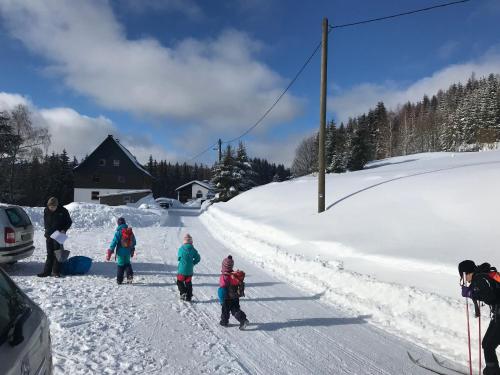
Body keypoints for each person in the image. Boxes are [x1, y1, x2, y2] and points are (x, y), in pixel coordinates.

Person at [459, 260, 500, 375]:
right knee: (487, 343)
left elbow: (490, 297)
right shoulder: (483, 276)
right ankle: (493, 370)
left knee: (488, 346)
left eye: (463, 276)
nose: (464, 279)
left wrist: (471, 293)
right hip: (497, 316)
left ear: (466, 273)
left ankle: (493, 372)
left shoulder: (480, 279)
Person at [38, 197, 72, 278]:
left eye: (53, 207)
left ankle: (56, 272)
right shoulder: (46, 210)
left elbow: (69, 222)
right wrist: (47, 231)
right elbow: (46, 222)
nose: (51, 208)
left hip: (59, 234)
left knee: (57, 253)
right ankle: (46, 272)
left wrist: (64, 229)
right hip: (49, 234)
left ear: (57, 205)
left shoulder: (63, 211)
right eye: (50, 207)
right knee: (49, 253)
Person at [219, 255, 249, 330]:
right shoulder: (234, 275)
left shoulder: (224, 277)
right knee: (235, 310)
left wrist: (222, 299)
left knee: (225, 310)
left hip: (227, 298)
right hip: (235, 296)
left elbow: (222, 289)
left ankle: (224, 322)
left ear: (223, 266)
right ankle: (243, 320)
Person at [106, 217, 136, 284]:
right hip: (128, 252)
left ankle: (119, 280)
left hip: (120, 253)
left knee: (120, 265)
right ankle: (130, 276)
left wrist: (110, 251)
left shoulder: (118, 233)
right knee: (127, 264)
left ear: (118, 224)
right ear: (125, 223)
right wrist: (132, 249)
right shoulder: (130, 232)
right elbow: (134, 241)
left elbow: (114, 242)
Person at [177, 233, 200, 301]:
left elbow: (179, 258)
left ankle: (183, 292)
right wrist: (193, 263)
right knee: (188, 283)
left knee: (179, 282)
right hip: (189, 271)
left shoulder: (181, 249)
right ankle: (189, 296)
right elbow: (198, 258)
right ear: (191, 242)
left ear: (184, 242)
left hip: (181, 270)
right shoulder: (193, 250)